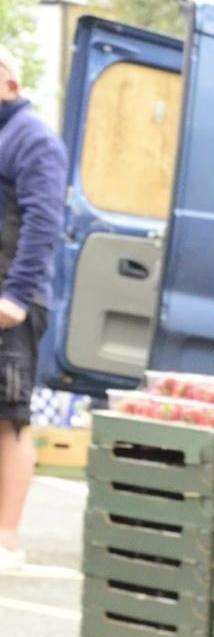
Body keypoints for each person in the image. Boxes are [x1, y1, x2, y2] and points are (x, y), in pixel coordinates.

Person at [0, 45, 67, 571]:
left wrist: (17, 297)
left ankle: (7, 541)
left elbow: (44, 220)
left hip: (11, 303)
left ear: (11, 83)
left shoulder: (33, 137)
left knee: (10, 421)